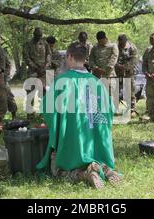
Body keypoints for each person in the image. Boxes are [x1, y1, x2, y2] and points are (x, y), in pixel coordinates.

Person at [36, 42, 121, 189]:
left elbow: (48, 109)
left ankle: (84, 174)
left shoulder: (62, 81)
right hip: (95, 142)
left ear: (69, 56)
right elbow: (110, 110)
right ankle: (105, 169)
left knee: (57, 170)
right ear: (85, 58)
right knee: (97, 156)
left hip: (73, 142)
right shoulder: (97, 82)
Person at [23, 27, 51, 120]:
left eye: (40, 36)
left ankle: (44, 114)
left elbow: (48, 55)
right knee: (30, 92)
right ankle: (30, 114)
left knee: (44, 92)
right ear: (34, 35)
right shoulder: (28, 44)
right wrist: (35, 67)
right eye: (37, 35)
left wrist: (46, 66)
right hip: (33, 71)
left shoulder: (45, 43)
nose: (39, 37)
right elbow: (26, 58)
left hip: (43, 71)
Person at [0, 32, 17, 120]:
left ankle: (13, 112)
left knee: (7, 96)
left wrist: (6, 74)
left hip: (2, 77)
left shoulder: (2, 51)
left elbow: (8, 64)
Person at [115, 34, 138, 116]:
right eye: (120, 42)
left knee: (130, 91)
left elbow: (134, 60)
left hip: (128, 73)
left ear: (126, 40)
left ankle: (132, 110)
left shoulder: (132, 47)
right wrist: (117, 65)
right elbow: (113, 58)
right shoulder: (116, 47)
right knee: (116, 91)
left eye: (122, 42)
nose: (121, 43)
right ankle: (116, 109)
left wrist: (124, 67)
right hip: (118, 72)